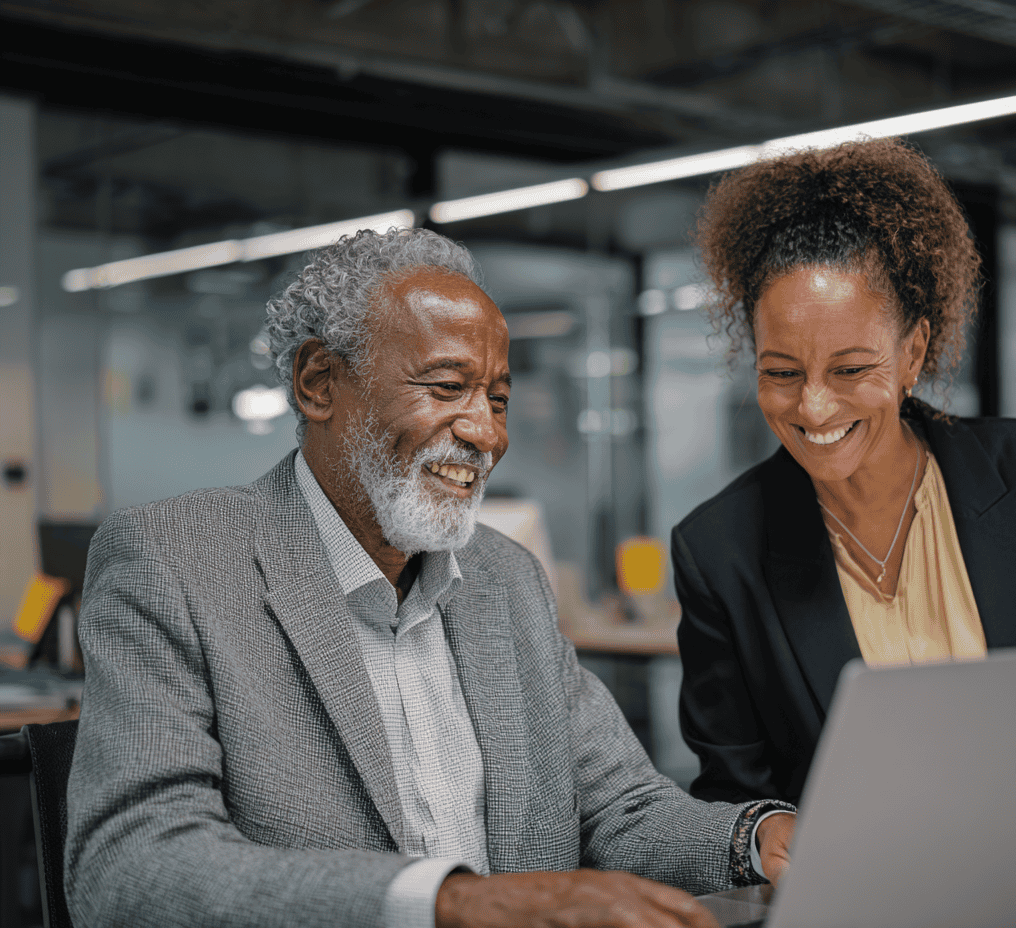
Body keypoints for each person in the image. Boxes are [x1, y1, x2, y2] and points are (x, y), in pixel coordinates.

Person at [64, 227, 795, 928]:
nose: (487, 432)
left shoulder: (508, 581)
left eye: (498, 398)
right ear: (319, 382)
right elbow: (130, 866)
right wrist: (451, 905)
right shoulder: (173, 561)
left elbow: (620, 809)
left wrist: (757, 838)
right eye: (447, 387)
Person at [672, 137, 1016, 808]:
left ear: (914, 353)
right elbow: (732, 801)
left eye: (851, 369)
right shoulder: (719, 550)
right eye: (781, 373)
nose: (814, 406)